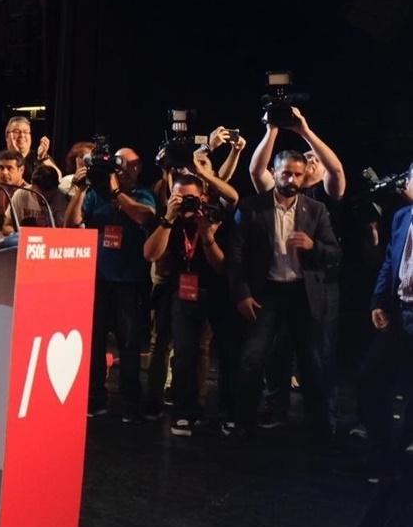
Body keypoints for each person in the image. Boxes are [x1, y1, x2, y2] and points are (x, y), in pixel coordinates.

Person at [227, 150, 342, 436]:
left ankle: (319, 428)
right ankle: (243, 423)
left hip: (302, 295)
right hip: (267, 293)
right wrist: (241, 292)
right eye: (286, 173)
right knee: (252, 359)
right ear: (274, 173)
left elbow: (336, 255)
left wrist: (312, 246)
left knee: (311, 362)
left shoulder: (315, 210)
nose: (291, 179)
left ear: (304, 177)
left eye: (297, 174)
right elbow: (235, 255)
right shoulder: (252, 207)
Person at [66, 147, 157, 422]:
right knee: (94, 343)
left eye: (123, 165)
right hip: (98, 279)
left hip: (129, 282)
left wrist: (118, 194)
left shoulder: (141, 194)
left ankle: (130, 403)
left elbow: (145, 215)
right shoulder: (96, 194)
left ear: (136, 167)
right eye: (114, 165)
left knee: (128, 344)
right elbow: (71, 225)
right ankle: (95, 399)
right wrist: (81, 189)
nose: (117, 170)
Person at [143, 173, 237, 437]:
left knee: (223, 352)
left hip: (215, 292)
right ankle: (185, 411)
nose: (185, 202)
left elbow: (221, 266)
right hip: (181, 292)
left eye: (191, 198)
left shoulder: (215, 216)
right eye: (178, 197)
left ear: (203, 196)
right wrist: (168, 218)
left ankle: (227, 412)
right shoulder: (167, 219)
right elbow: (150, 254)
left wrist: (207, 235)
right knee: (184, 352)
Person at [348, 162, 413, 480]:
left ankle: (402, 456)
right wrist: (377, 301)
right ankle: (384, 453)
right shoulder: (402, 217)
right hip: (399, 313)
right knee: (371, 380)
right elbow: (390, 260)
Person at [4, 115, 57, 180]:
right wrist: (15, 154)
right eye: (16, 131)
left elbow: (57, 178)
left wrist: (43, 157)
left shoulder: (40, 156)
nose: (22, 135)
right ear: (7, 136)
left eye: (26, 132)